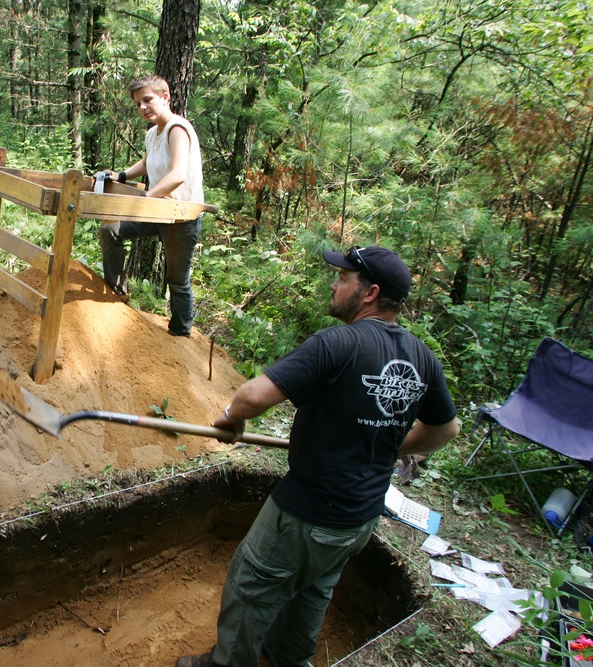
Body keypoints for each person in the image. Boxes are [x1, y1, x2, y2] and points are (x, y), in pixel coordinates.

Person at [177, 245, 461, 667]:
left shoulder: (338, 343)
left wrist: (229, 417)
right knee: (313, 587)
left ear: (370, 292)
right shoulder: (422, 358)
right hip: (361, 518)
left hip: (307, 515)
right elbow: (446, 430)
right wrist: (390, 441)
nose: (334, 283)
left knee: (249, 584)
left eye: (344, 278)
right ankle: (289, 658)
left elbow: (253, 396)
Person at [98, 74, 205, 337]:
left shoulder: (177, 129)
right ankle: (116, 293)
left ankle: (180, 332)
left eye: (147, 100)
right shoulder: (152, 133)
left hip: (181, 216)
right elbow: (147, 163)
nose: (142, 107)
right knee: (110, 229)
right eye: (138, 104)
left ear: (165, 97)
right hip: (157, 211)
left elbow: (178, 174)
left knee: (176, 280)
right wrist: (121, 176)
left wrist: (145, 199)